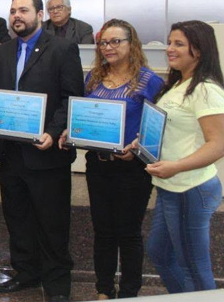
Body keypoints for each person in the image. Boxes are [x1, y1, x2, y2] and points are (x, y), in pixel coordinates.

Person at [0, 0, 84, 302]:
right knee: (18, 217)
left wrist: (54, 132)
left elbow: (71, 98)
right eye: (12, 11)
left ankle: (56, 283)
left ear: (40, 15)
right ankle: (26, 272)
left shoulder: (63, 48)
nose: (16, 16)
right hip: (10, 153)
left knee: (52, 221)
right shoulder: (2, 52)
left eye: (23, 10)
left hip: (46, 153)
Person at [58, 19, 163, 299]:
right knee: (102, 232)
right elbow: (83, 116)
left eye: (116, 41)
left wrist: (139, 144)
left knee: (128, 234)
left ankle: (128, 293)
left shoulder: (149, 81)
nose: (108, 47)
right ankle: (103, 290)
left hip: (133, 169)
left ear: (132, 44)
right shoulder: (92, 77)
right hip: (98, 166)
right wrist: (72, 130)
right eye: (104, 42)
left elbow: (159, 127)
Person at [138, 21, 224, 293]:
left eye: (178, 44)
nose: (169, 49)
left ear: (199, 50)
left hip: (190, 188)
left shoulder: (206, 89)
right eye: (169, 42)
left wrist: (176, 166)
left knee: (193, 265)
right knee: (160, 253)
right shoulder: (179, 83)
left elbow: (218, 145)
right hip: (170, 187)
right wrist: (143, 142)